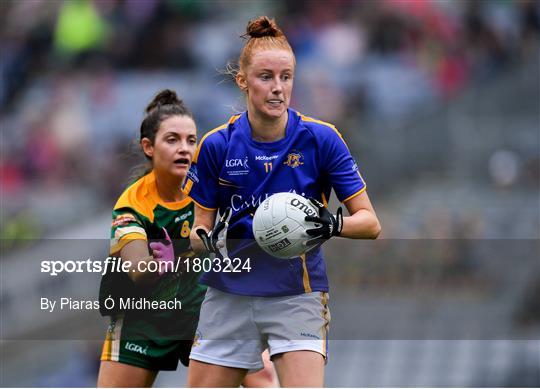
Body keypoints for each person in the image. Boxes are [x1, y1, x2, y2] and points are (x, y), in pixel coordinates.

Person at [184, 16, 381, 388]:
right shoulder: (216, 145)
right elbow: (198, 231)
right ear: (242, 81)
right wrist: (210, 239)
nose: (278, 88)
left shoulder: (322, 139)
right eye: (266, 77)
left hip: (296, 295)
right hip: (229, 294)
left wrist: (332, 224)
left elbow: (370, 223)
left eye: (286, 77)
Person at [97, 89, 277, 387]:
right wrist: (167, 259)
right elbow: (139, 272)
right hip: (146, 320)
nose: (185, 149)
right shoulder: (133, 204)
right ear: (148, 147)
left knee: (265, 377)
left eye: (191, 140)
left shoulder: (213, 182)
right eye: (172, 140)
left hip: (205, 312)